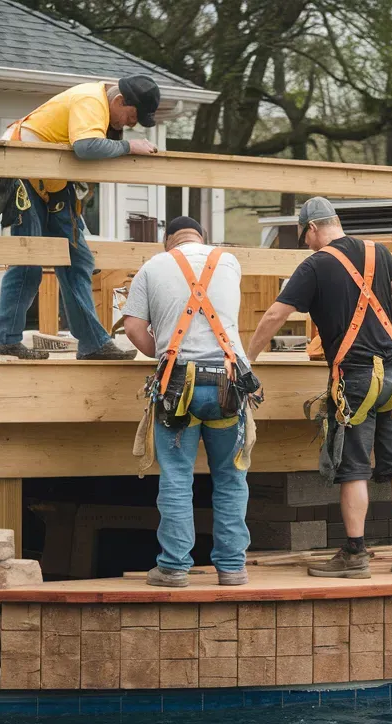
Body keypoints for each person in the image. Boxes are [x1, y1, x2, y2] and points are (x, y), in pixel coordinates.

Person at [247, 197, 392, 579]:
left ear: (312, 228)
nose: (307, 245)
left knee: (354, 469)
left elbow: (276, 314)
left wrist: (249, 359)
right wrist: (385, 331)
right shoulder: (378, 252)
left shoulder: (315, 265)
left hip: (356, 379)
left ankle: (355, 554)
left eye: (304, 237)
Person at [123, 217, 259, 587]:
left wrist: (163, 353)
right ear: (202, 238)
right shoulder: (228, 262)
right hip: (228, 384)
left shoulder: (153, 265)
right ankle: (232, 568)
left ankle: (173, 568)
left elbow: (133, 327)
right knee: (231, 478)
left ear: (168, 241)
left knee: (177, 478)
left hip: (178, 385)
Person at [0, 76, 161, 360]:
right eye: (131, 117)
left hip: (51, 180)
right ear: (120, 101)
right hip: (20, 169)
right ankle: (5, 339)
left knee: (77, 260)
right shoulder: (91, 100)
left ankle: (94, 344)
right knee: (29, 261)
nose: (130, 125)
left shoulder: (103, 107)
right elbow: (85, 146)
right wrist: (129, 147)